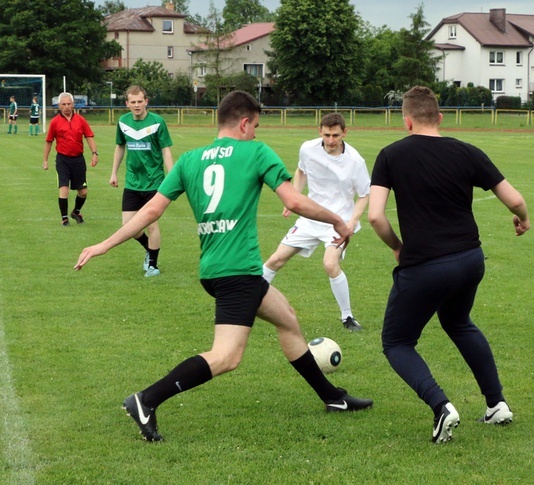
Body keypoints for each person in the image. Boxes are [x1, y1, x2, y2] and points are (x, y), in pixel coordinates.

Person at [74, 91, 372, 442]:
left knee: (288, 319)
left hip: (216, 268)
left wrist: (103, 244)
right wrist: (339, 221)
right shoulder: (255, 152)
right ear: (244, 123)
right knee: (227, 356)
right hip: (237, 272)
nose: (257, 134)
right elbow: (293, 199)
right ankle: (145, 400)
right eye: (256, 126)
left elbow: (151, 211)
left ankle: (332, 397)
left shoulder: (190, 160)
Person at [368, 86, 530, 444]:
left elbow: (375, 217)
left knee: (397, 342)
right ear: (440, 118)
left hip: (426, 264)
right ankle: (496, 404)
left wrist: (397, 246)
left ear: (406, 120)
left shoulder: (390, 155)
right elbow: (515, 199)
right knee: (458, 322)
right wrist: (523, 219)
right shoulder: (466, 151)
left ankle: (442, 406)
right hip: (470, 260)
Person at [262, 113, 370, 331]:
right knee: (275, 260)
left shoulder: (355, 161)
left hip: (338, 222)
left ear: (345, 133)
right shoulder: (308, 149)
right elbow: (301, 171)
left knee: (330, 264)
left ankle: (347, 317)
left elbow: (365, 195)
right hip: (310, 218)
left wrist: (352, 222)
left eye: (336, 135)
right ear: (319, 131)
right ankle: (245, 304)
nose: (331, 140)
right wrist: (293, 197)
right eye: (327, 134)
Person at [110, 86, 174, 277]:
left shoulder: (157, 122)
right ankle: (149, 248)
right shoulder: (123, 122)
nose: (137, 105)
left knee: (151, 224)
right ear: (127, 104)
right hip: (132, 182)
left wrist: (172, 177)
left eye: (140, 101)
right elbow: (120, 147)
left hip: (154, 183)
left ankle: (153, 265)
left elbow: (166, 151)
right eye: (133, 102)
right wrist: (114, 173)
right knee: (128, 225)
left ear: (146, 101)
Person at [43, 92, 99, 226]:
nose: (67, 107)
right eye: (64, 104)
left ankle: (76, 212)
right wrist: (45, 160)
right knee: (64, 189)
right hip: (63, 160)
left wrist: (94, 153)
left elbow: (89, 137)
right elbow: (49, 141)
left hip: (78, 160)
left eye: (69, 104)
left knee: (83, 192)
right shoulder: (55, 122)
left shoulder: (80, 120)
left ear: (73, 105)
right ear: (59, 106)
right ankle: (64, 218)